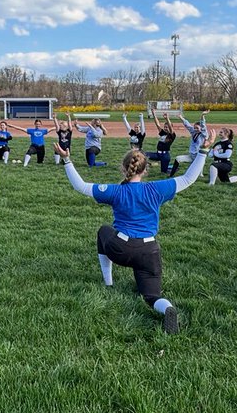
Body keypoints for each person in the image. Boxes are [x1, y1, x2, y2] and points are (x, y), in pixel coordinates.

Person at [57, 139, 207, 334]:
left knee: (104, 230)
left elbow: (81, 186)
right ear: (145, 170)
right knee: (151, 296)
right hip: (148, 252)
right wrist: (203, 151)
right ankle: (167, 309)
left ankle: (108, 283)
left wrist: (67, 160)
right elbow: (188, 179)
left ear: (123, 168)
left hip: (121, 249)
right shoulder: (156, 189)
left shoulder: (117, 191)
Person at [170, 110, 209, 174]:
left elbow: (203, 125)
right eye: (194, 128)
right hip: (191, 156)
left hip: (198, 157)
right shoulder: (194, 132)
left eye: (197, 128)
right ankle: (171, 175)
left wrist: (202, 115)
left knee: (198, 174)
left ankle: (200, 175)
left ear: (201, 128)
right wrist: (181, 117)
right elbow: (187, 125)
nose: (195, 129)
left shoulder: (204, 135)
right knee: (178, 158)